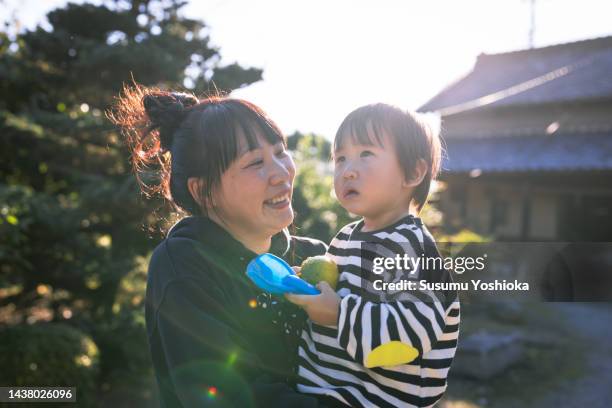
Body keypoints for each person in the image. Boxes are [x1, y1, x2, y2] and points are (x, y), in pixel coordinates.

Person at [110, 85, 330, 407]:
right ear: (203, 191)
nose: (282, 173)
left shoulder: (314, 256)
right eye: (255, 162)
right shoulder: (184, 266)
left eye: (281, 152)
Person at [286, 104, 461, 407]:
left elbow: (408, 336)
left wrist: (339, 313)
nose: (347, 170)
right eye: (340, 158)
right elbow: (329, 296)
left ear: (413, 172)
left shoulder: (412, 247)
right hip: (321, 393)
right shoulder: (344, 239)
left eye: (366, 154)